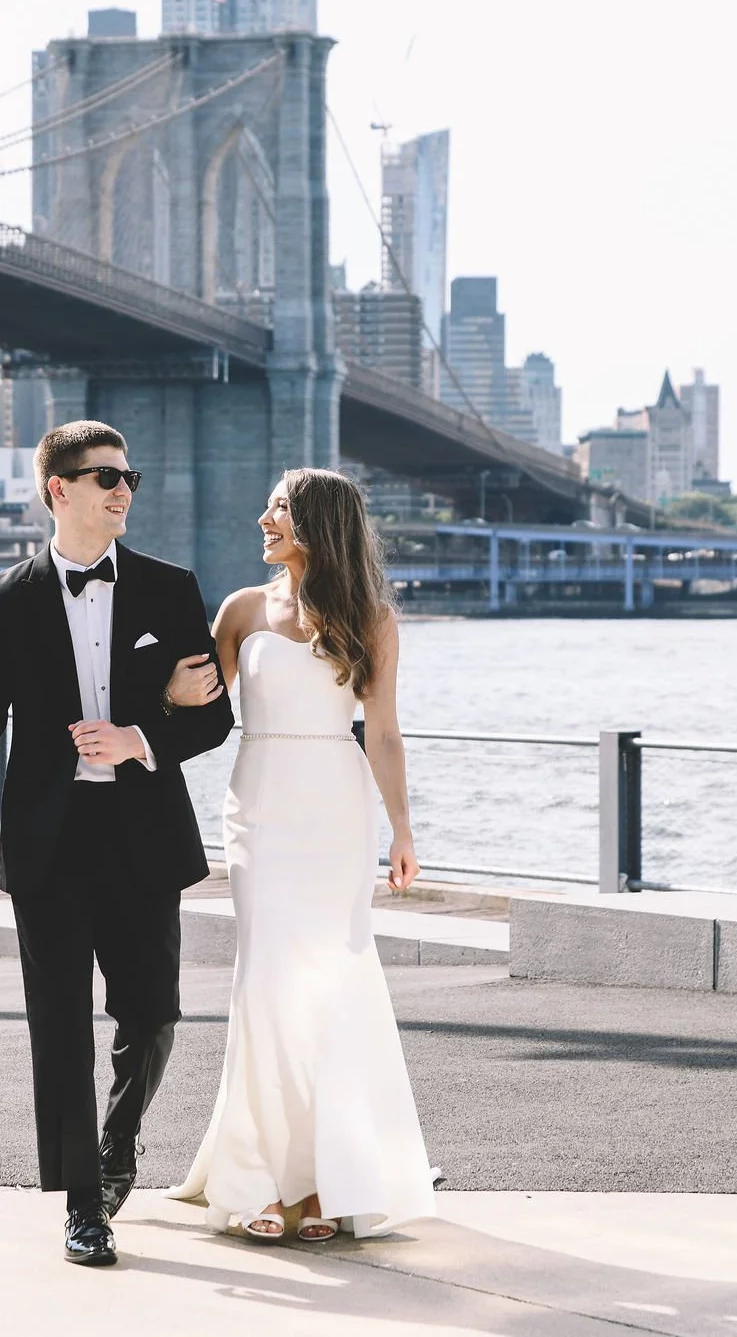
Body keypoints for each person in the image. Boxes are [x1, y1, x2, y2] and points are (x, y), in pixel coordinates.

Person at [0, 420, 235, 1267]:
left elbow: (216, 716)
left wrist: (142, 730)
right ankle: (83, 1204)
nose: (123, 489)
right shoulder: (7, 598)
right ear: (58, 489)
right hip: (49, 844)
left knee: (155, 1013)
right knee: (59, 1026)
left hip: (143, 833)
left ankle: (118, 1142)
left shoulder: (170, 589)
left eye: (129, 474)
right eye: (105, 476)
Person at [167, 466, 437, 1242]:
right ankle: (258, 1175)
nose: (263, 518)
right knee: (265, 979)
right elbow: (200, 705)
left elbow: (382, 732)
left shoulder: (373, 618)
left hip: (335, 807)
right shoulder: (240, 609)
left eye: (279, 508)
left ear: (318, 522)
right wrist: (165, 702)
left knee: (329, 983)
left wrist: (403, 831)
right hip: (259, 803)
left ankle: (322, 1181)